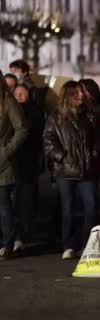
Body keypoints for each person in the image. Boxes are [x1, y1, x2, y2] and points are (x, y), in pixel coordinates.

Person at [43, 81, 100, 260]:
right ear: (68, 95)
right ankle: (68, 245)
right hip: (65, 171)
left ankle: (86, 245)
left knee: (91, 207)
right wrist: (62, 156)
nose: (81, 96)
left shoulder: (89, 115)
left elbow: (97, 139)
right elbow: (48, 141)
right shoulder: (56, 117)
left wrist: (94, 153)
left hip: (87, 169)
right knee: (68, 209)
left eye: (81, 92)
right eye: (76, 93)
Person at [13, 84, 45, 254]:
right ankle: (16, 235)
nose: (18, 96)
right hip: (13, 163)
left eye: (22, 93)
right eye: (16, 94)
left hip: (28, 162)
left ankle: (23, 235)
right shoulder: (11, 111)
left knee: (24, 199)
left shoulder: (35, 112)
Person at [0, 70, 28, 260]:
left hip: (3, 164)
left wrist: (6, 151)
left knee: (3, 206)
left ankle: (6, 244)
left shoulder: (7, 102)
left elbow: (22, 129)